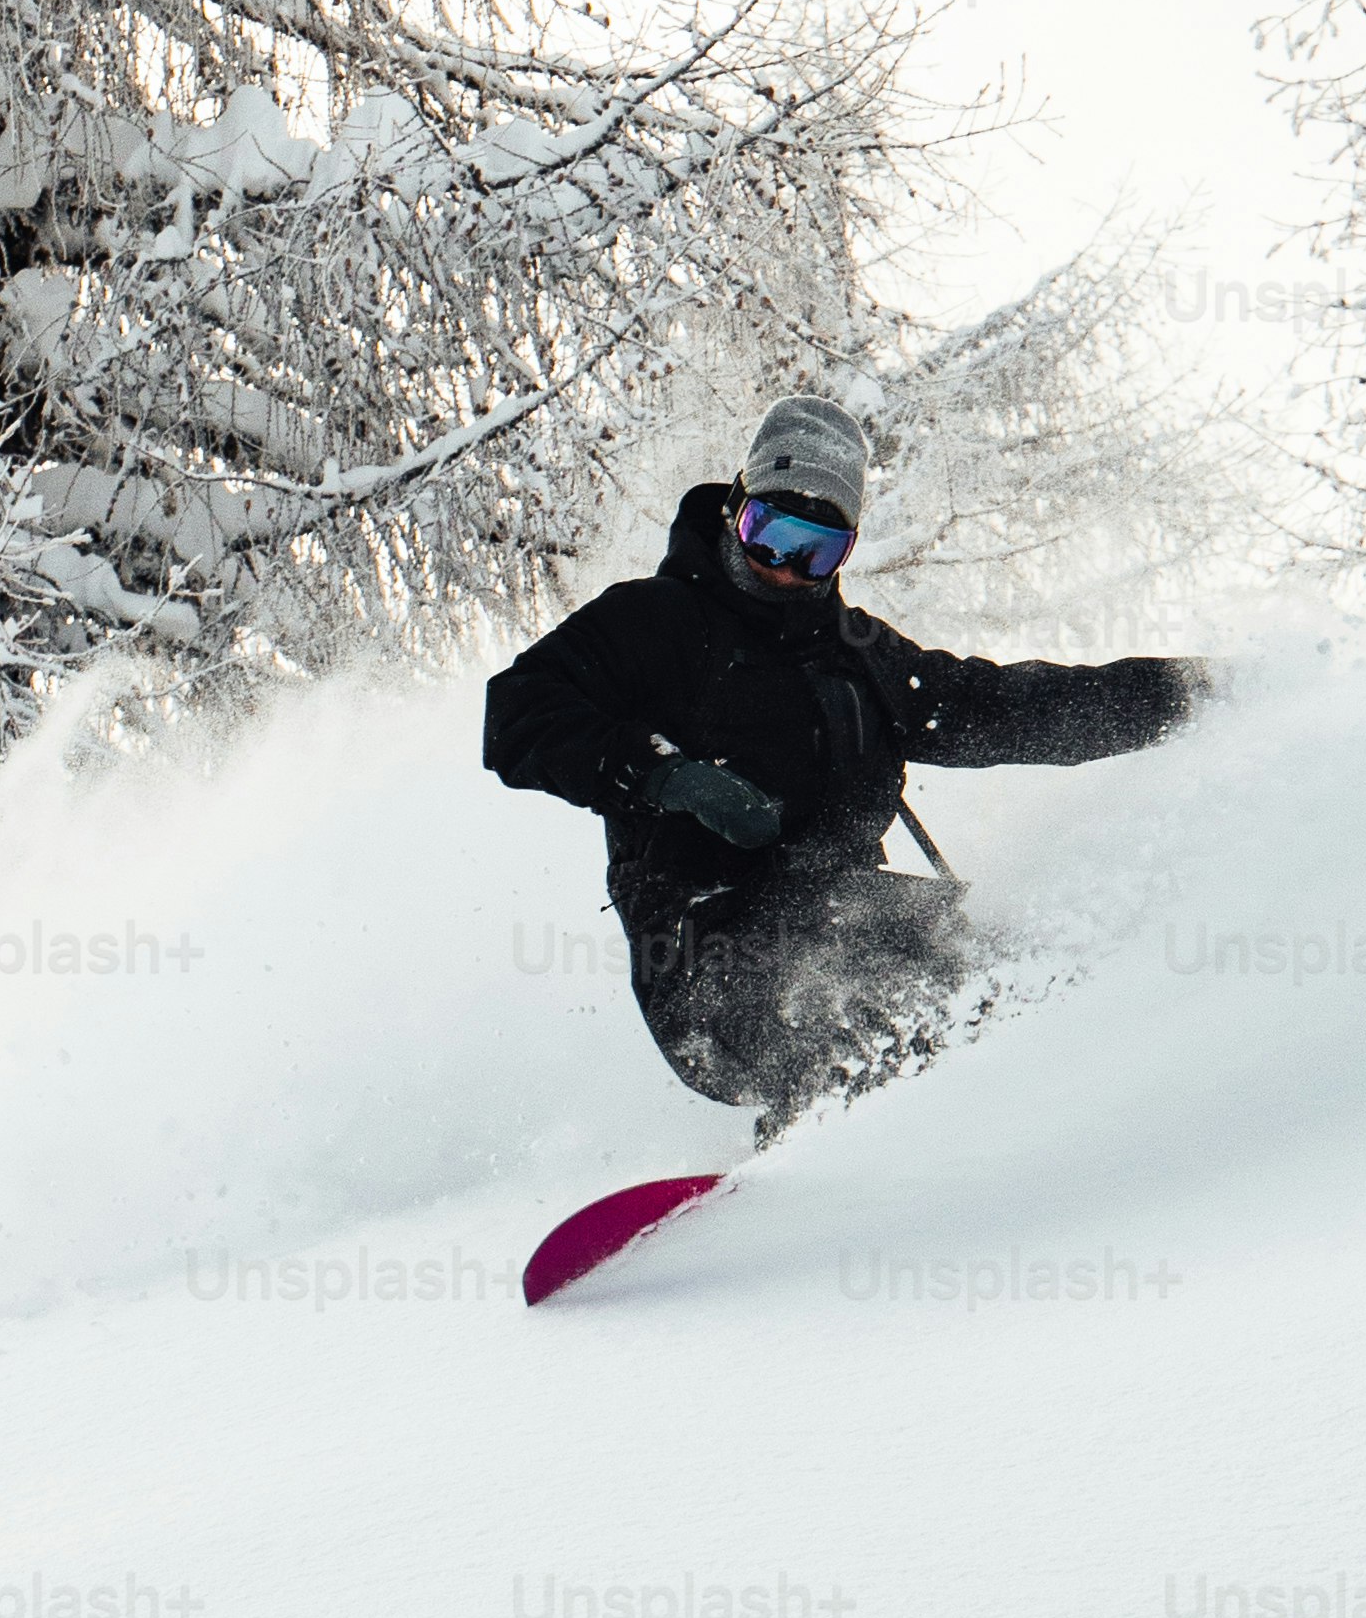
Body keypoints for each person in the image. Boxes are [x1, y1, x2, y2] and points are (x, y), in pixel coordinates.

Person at [483, 393, 1206, 1136]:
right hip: (706, 951)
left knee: (1012, 968)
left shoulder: (858, 657)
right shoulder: (650, 624)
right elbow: (516, 713)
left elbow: (1005, 708)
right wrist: (662, 773)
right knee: (855, 993)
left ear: (846, 551)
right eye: (769, 536)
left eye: (815, 551)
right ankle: (820, 1150)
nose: (786, 570)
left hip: (855, 912)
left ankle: (1065, 1130)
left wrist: (1186, 695)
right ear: (737, 509)